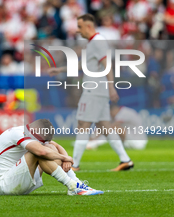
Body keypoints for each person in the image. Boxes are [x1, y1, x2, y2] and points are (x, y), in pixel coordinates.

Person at [48, 14, 133, 171]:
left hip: (94, 89)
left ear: (88, 26)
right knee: (105, 126)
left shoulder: (97, 42)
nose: (78, 31)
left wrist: (111, 86)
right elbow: (84, 65)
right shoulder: (93, 43)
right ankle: (125, 160)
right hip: (98, 90)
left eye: (80, 27)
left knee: (83, 124)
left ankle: (75, 164)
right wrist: (61, 69)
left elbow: (107, 64)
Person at [0, 119, 104, 196]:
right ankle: (72, 186)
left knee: (49, 147)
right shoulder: (19, 133)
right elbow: (41, 152)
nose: (42, 142)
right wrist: (65, 158)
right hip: (4, 185)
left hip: (17, 179)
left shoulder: (31, 132)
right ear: (36, 130)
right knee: (39, 152)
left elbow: (56, 145)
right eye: (42, 140)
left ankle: (76, 182)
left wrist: (65, 158)